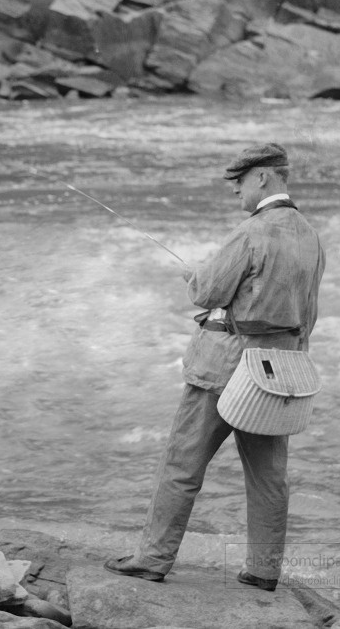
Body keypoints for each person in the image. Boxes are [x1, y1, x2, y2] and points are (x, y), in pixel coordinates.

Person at [105, 143, 325, 590]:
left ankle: (152, 558)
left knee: (181, 465)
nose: (236, 193)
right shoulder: (310, 235)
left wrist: (196, 279)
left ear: (262, 178)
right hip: (277, 372)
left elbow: (207, 293)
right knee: (269, 478)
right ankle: (263, 571)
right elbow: (310, 313)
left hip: (223, 369)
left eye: (239, 183)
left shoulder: (251, 231)